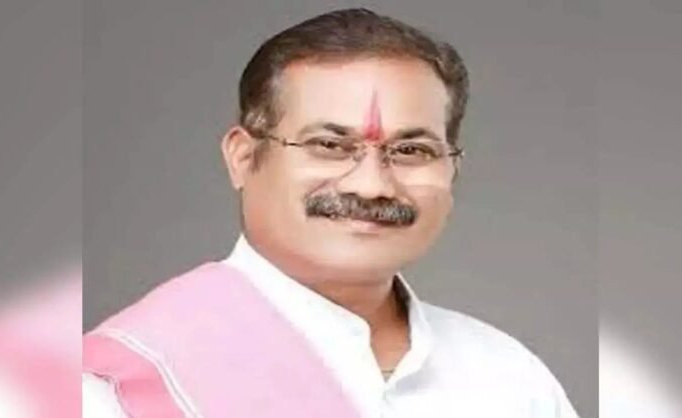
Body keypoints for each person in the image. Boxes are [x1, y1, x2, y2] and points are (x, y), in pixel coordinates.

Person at [83, 8, 579, 417]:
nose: (371, 185)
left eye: (411, 151)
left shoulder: (507, 378)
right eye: (329, 145)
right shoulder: (126, 382)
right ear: (243, 157)